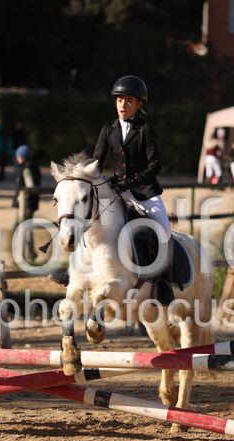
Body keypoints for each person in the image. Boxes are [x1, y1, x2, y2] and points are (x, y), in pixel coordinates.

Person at [92, 75, 174, 305]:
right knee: (88, 219)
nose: (123, 105)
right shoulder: (108, 129)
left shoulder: (145, 129)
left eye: (129, 101)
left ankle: (163, 282)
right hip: (116, 190)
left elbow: (155, 165)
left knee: (164, 230)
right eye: (120, 100)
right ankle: (76, 271)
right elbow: (96, 163)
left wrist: (131, 182)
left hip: (144, 192)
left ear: (139, 104)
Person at [12, 144, 42, 262]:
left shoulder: (27, 169)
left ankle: (22, 256)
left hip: (25, 205)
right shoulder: (33, 167)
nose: (17, 158)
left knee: (21, 227)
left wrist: (22, 198)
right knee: (27, 228)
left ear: (22, 156)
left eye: (18, 156)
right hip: (31, 203)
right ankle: (30, 254)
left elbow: (30, 187)